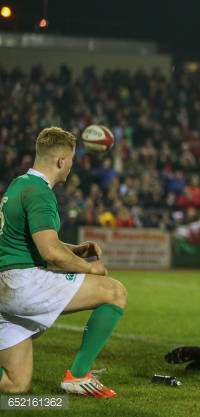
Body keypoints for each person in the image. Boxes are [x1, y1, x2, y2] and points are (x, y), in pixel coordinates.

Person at [0, 127, 128, 397]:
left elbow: (34, 241)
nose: (71, 165)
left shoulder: (19, 184)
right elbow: (51, 253)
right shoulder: (40, 193)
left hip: (5, 291)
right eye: (70, 160)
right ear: (61, 161)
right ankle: (78, 375)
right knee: (114, 291)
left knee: (16, 385)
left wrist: (77, 250)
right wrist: (90, 267)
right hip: (22, 284)